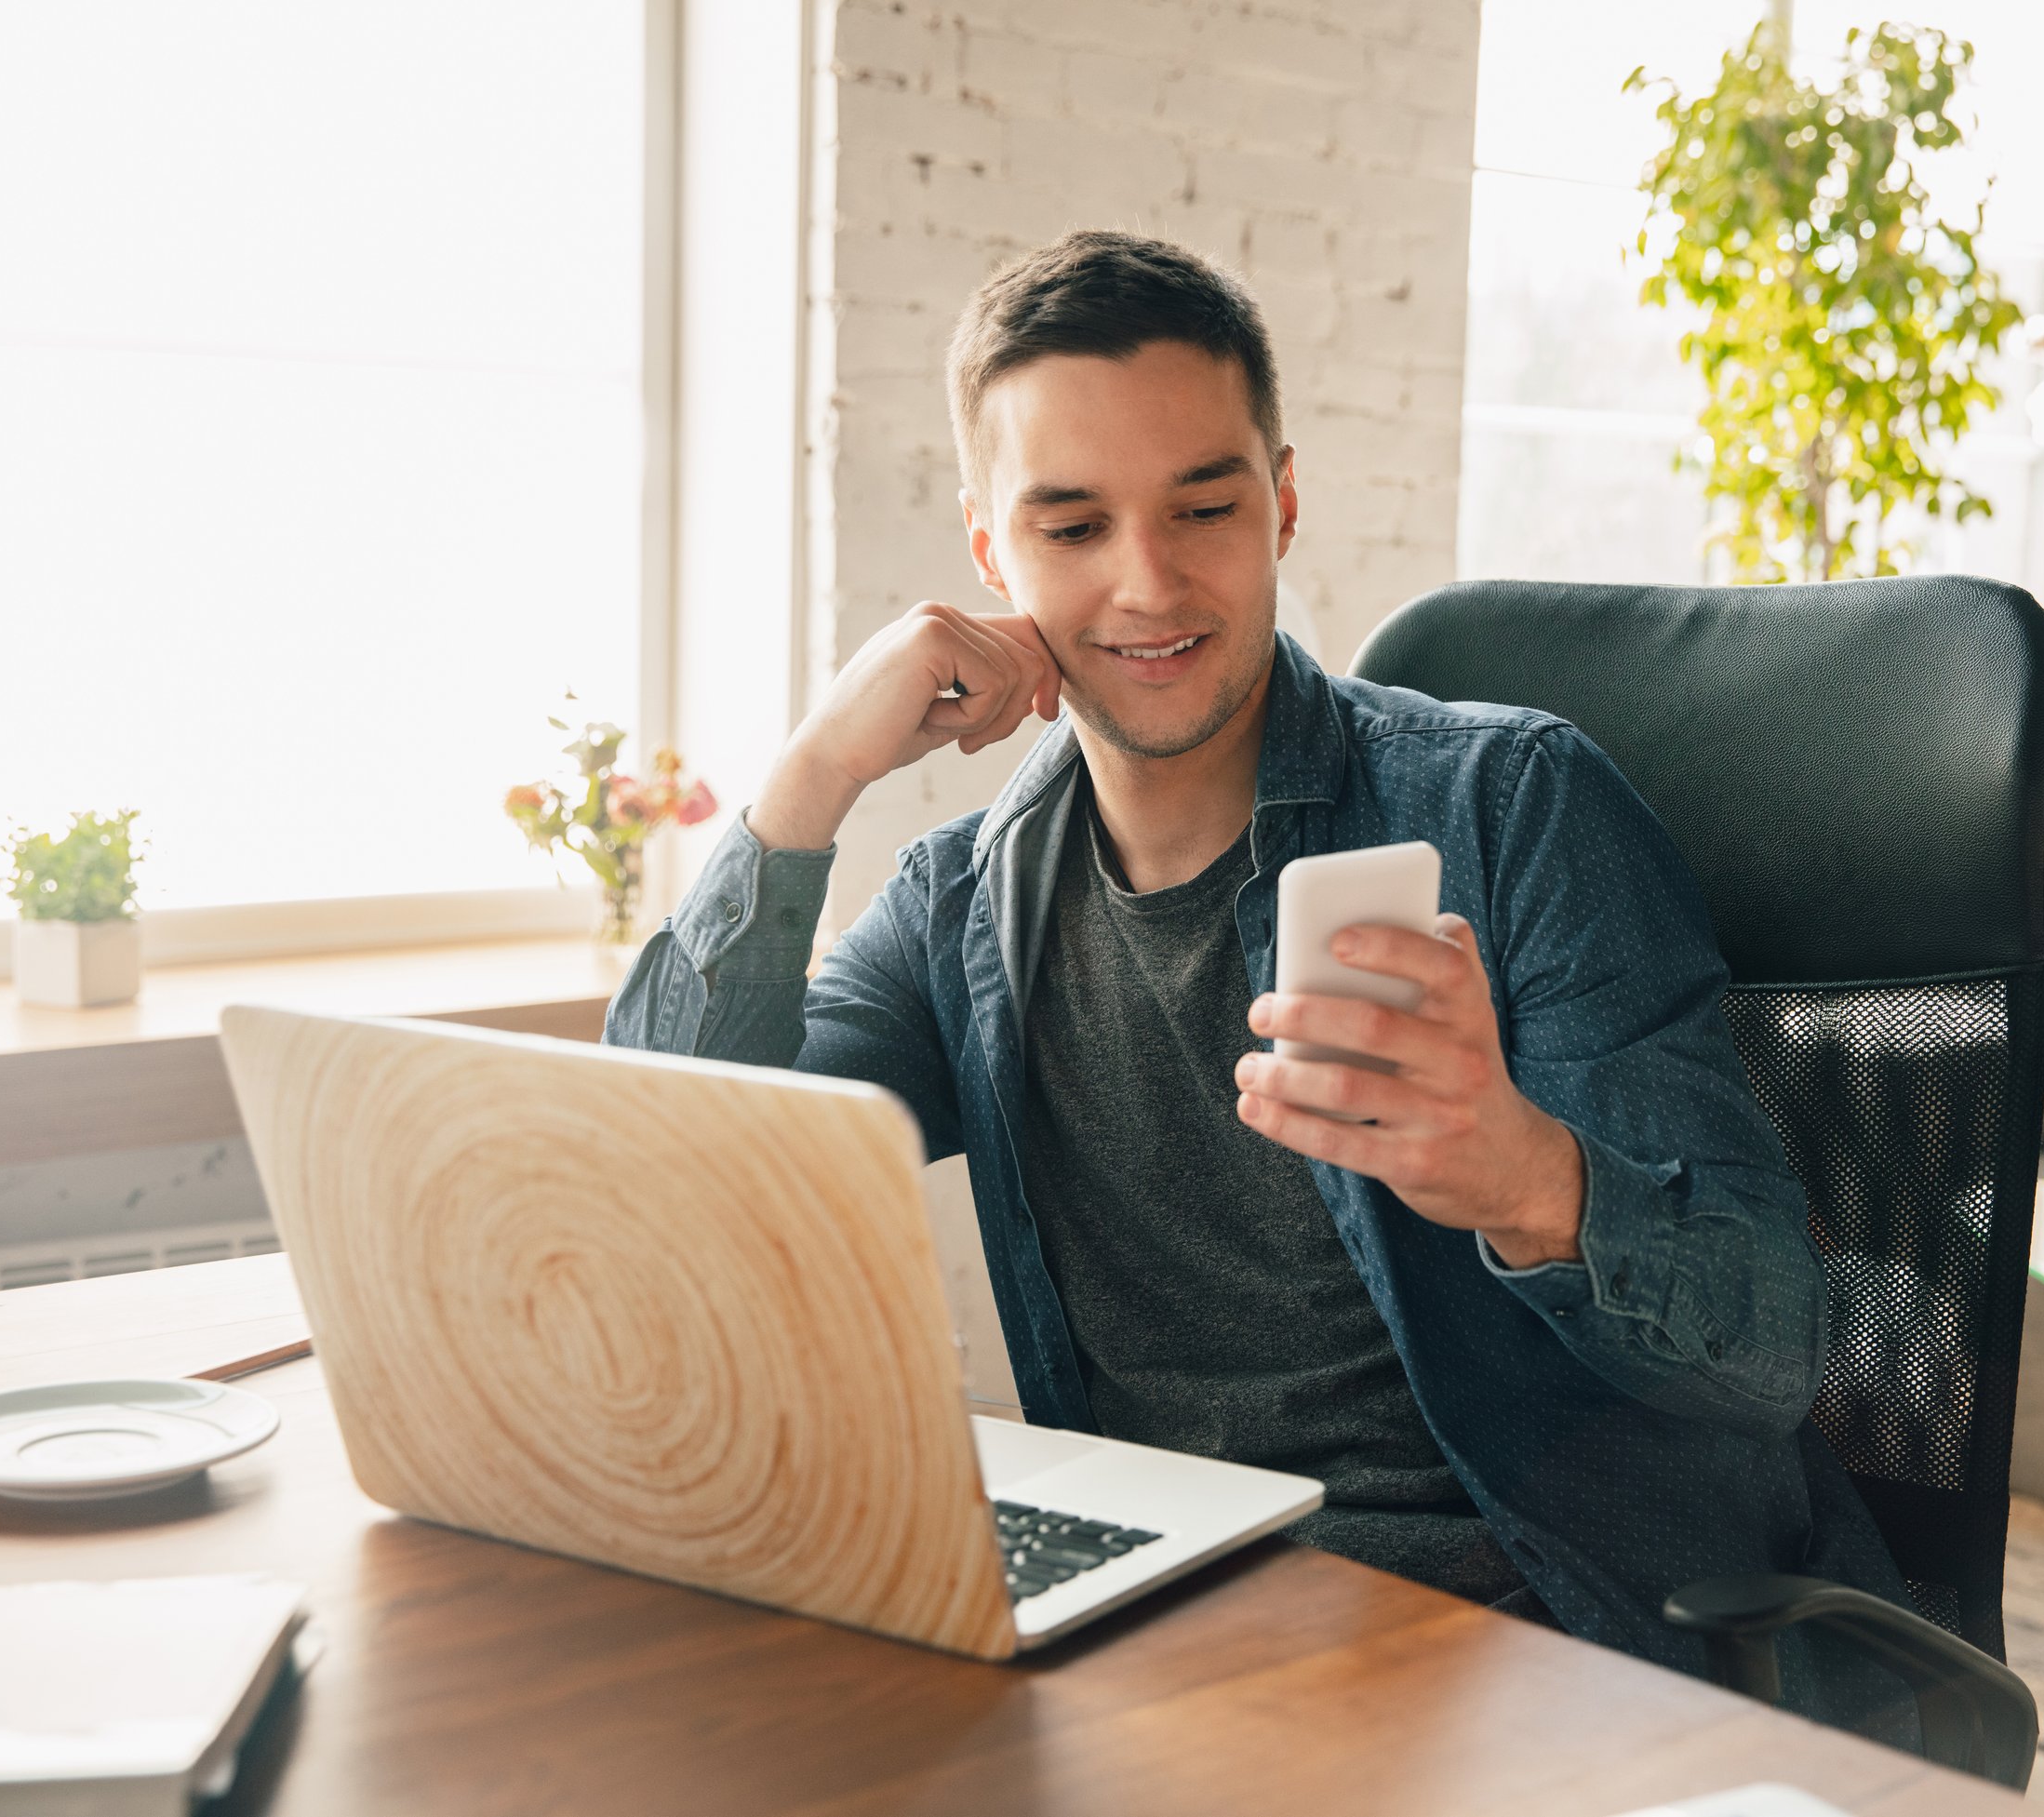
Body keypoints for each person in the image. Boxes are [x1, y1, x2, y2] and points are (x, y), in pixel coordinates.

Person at [607, 228, 1912, 1727]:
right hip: (1162, 1631)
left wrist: (1528, 1179)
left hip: (1531, 1639)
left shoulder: (1512, 810)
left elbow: (1776, 1339)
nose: (1149, 584)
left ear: (1282, 500)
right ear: (990, 554)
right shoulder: (964, 903)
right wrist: (812, 775)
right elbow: (665, 1167)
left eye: (1204, 506)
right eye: (1074, 525)